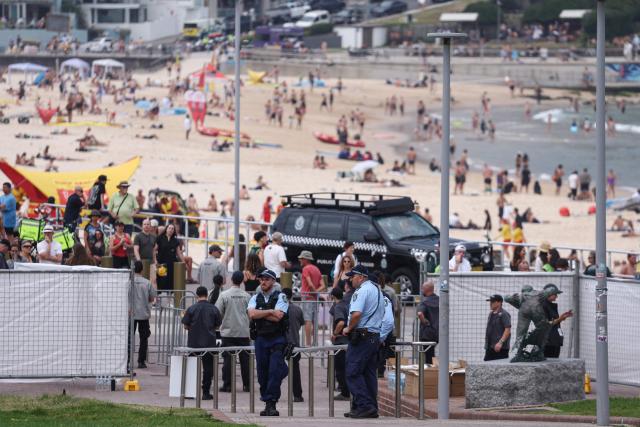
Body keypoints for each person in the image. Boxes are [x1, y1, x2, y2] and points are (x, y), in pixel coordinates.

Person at [342, 265, 385, 419]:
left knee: (353, 372)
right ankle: (370, 407)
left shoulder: (361, 291)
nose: (350, 279)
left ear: (361, 276)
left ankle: (365, 406)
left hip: (362, 337)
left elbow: (356, 314)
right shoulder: (377, 290)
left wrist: (348, 328)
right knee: (368, 374)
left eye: (352, 276)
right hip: (374, 336)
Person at [247, 269, 289, 417]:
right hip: (261, 339)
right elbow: (252, 314)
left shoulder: (281, 296)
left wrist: (261, 313)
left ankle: (271, 403)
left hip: (277, 339)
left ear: (273, 281)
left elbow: (279, 317)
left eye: (266, 279)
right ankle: (266, 401)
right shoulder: (255, 297)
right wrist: (270, 311)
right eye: (261, 279)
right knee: (262, 373)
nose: (263, 281)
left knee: (274, 371)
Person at [182, 286, 222, 400]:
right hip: (209, 343)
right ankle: (205, 392)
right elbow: (218, 324)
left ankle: (190, 392)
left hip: (193, 343)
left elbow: (185, 325)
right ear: (207, 295)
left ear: (196, 296)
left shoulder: (191, 308)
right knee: (208, 369)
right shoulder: (213, 309)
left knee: (191, 367)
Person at [215, 271, 251, 393]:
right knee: (245, 361)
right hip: (243, 332)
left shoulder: (224, 295)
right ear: (242, 281)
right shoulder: (247, 296)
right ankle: (247, 385)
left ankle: (228, 384)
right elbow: (250, 314)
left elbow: (217, 312)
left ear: (231, 279)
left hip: (228, 332)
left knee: (228, 360)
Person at [282, 287, 304, 402]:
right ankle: (297, 395)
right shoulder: (297, 309)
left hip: (281, 343)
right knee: (295, 370)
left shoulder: (279, 309)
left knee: (276, 368)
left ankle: (273, 393)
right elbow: (301, 323)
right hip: (295, 342)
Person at [132, 261, 156, 368]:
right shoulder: (147, 283)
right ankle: (141, 361)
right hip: (143, 313)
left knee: (128, 338)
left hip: (131, 313)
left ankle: (127, 362)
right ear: (142, 270)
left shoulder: (128, 282)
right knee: (144, 338)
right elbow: (152, 298)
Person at [298, 250, 324, 346]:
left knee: (307, 320)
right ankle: (315, 342)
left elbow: (309, 283)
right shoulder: (316, 269)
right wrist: (316, 293)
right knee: (314, 320)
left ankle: (308, 343)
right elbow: (323, 285)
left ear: (305, 259)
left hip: (307, 298)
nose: (300, 260)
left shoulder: (306, 269)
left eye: (301, 258)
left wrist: (313, 292)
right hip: (314, 299)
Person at [329, 286, 350, 400]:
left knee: (340, 368)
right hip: (348, 340)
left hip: (341, 341)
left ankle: (345, 392)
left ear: (333, 296)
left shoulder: (338, 307)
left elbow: (341, 323)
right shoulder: (347, 304)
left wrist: (335, 334)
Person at [542, 284, 573, 358]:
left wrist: (563, 317)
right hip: (548, 340)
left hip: (554, 339)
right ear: (549, 294)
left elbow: (554, 321)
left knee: (555, 359)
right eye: (555, 294)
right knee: (550, 360)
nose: (557, 296)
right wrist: (560, 318)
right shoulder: (543, 306)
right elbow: (546, 324)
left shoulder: (550, 305)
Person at [153, 223, 186, 291]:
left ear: (174, 231)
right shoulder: (160, 238)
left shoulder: (175, 240)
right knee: (161, 280)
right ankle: (158, 297)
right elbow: (154, 250)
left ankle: (169, 298)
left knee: (171, 281)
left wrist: (183, 262)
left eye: (172, 229)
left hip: (171, 263)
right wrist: (155, 260)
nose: (171, 230)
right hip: (162, 263)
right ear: (166, 229)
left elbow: (179, 253)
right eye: (169, 228)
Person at [417, 281, 439, 364]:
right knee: (431, 354)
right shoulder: (439, 300)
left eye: (422, 288)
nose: (421, 290)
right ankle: (432, 372)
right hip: (437, 333)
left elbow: (420, 314)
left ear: (426, 289)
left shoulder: (424, 302)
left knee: (427, 357)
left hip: (427, 334)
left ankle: (427, 374)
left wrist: (425, 322)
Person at [484, 294, 511, 361]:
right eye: (490, 302)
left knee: (500, 368)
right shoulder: (491, 314)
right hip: (490, 347)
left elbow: (507, 329)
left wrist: (500, 343)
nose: (490, 304)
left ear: (499, 302)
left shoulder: (504, 314)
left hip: (500, 348)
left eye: (492, 302)